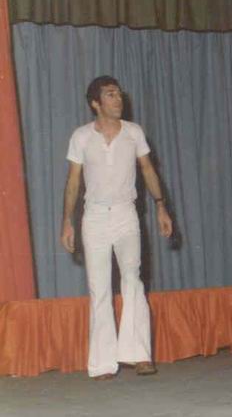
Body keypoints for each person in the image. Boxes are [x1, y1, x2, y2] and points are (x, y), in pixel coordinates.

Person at [60, 76, 173, 380]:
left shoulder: (134, 132)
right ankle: (102, 364)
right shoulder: (81, 137)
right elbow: (73, 181)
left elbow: (147, 168)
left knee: (132, 279)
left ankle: (139, 355)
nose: (118, 99)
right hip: (94, 218)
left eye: (119, 94)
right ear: (95, 103)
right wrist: (67, 221)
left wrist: (161, 205)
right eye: (110, 95)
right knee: (99, 288)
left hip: (126, 214)